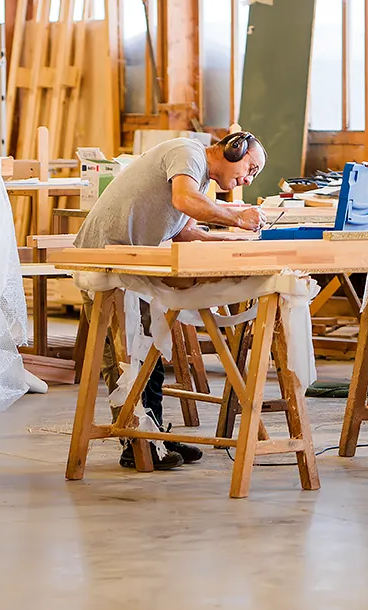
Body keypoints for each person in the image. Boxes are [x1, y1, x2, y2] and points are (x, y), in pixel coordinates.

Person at [74, 131, 268, 470]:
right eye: (250, 168)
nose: (248, 179)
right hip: (103, 261)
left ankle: (154, 436)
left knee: (150, 352)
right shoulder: (187, 152)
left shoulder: (199, 178)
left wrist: (232, 240)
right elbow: (183, 201)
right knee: (122, 359)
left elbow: (183, 231)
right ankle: (135, 442)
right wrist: (235, 216)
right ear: (233, 150)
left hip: (132, 263)